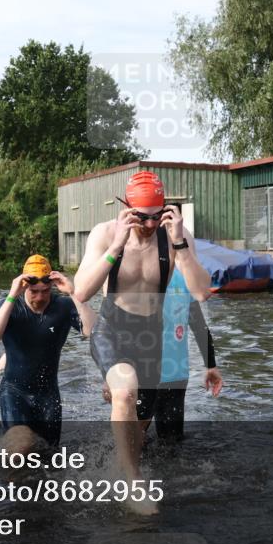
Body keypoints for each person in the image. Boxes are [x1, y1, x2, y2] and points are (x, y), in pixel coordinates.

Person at [74, 172, 210, 512]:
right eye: (141, 216)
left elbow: (201, 293)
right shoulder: (105, 234)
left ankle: (121, 469)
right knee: (124, 391)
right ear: (126, 208)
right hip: (112, 329)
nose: (150, 224)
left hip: (152, 336)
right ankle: (132, 484)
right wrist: (117, 246)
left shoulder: (174, 236)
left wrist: (180, 245)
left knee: (139, 424)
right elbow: (81, 292)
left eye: (156, 215)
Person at [0, 254, 95, 455]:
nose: (40, 297)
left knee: (49, 457)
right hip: (14, 393)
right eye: (34, 291)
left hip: (48, 395)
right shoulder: (10, 306)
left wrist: (74, 294)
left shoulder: (63, 306)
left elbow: (92, 331)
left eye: (45, 291)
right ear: (25, 286)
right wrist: (11, 295)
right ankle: (11, 482)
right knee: (20, 446)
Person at [103, 267, 224, 442]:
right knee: (138, 443)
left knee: (164, 445)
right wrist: (110, 376)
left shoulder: (182, 278)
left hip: (171, 376)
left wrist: (211, 365)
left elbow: (199, 326)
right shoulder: (137, 274)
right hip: (142, 376)